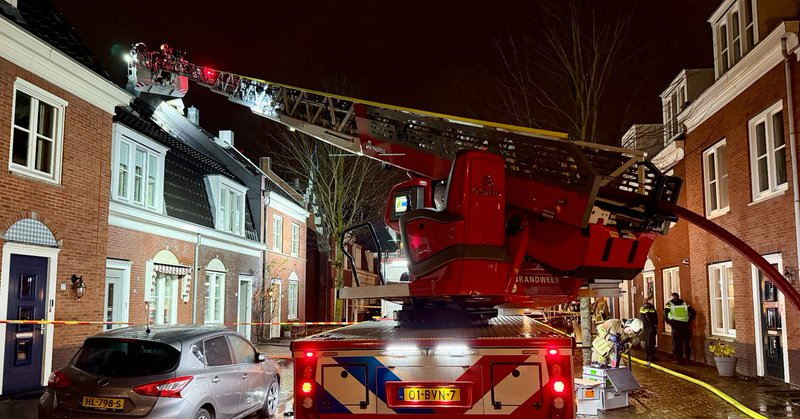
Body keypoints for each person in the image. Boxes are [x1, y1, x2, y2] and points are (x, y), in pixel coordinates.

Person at [664, 292, 696, 364]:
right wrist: (689, 320)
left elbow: (665, 314)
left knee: (677, 343)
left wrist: (669, 322)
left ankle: (678, 359)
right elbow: (693, 312)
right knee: (686, 342)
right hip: (685, 325)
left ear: (672, 297)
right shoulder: (684, 303)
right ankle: (687, 358)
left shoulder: (670, 304)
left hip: (676, 325)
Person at [639, 295, 659, 361]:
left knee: (647, 341)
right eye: (652, 300)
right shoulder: (649, 307)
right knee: (651, 342)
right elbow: (649, 317)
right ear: (648, 300)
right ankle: (651, 356)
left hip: (646, 327)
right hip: (650, 327)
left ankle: (647, 355)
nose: (653, 301)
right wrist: (653, 325)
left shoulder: (643, 307)